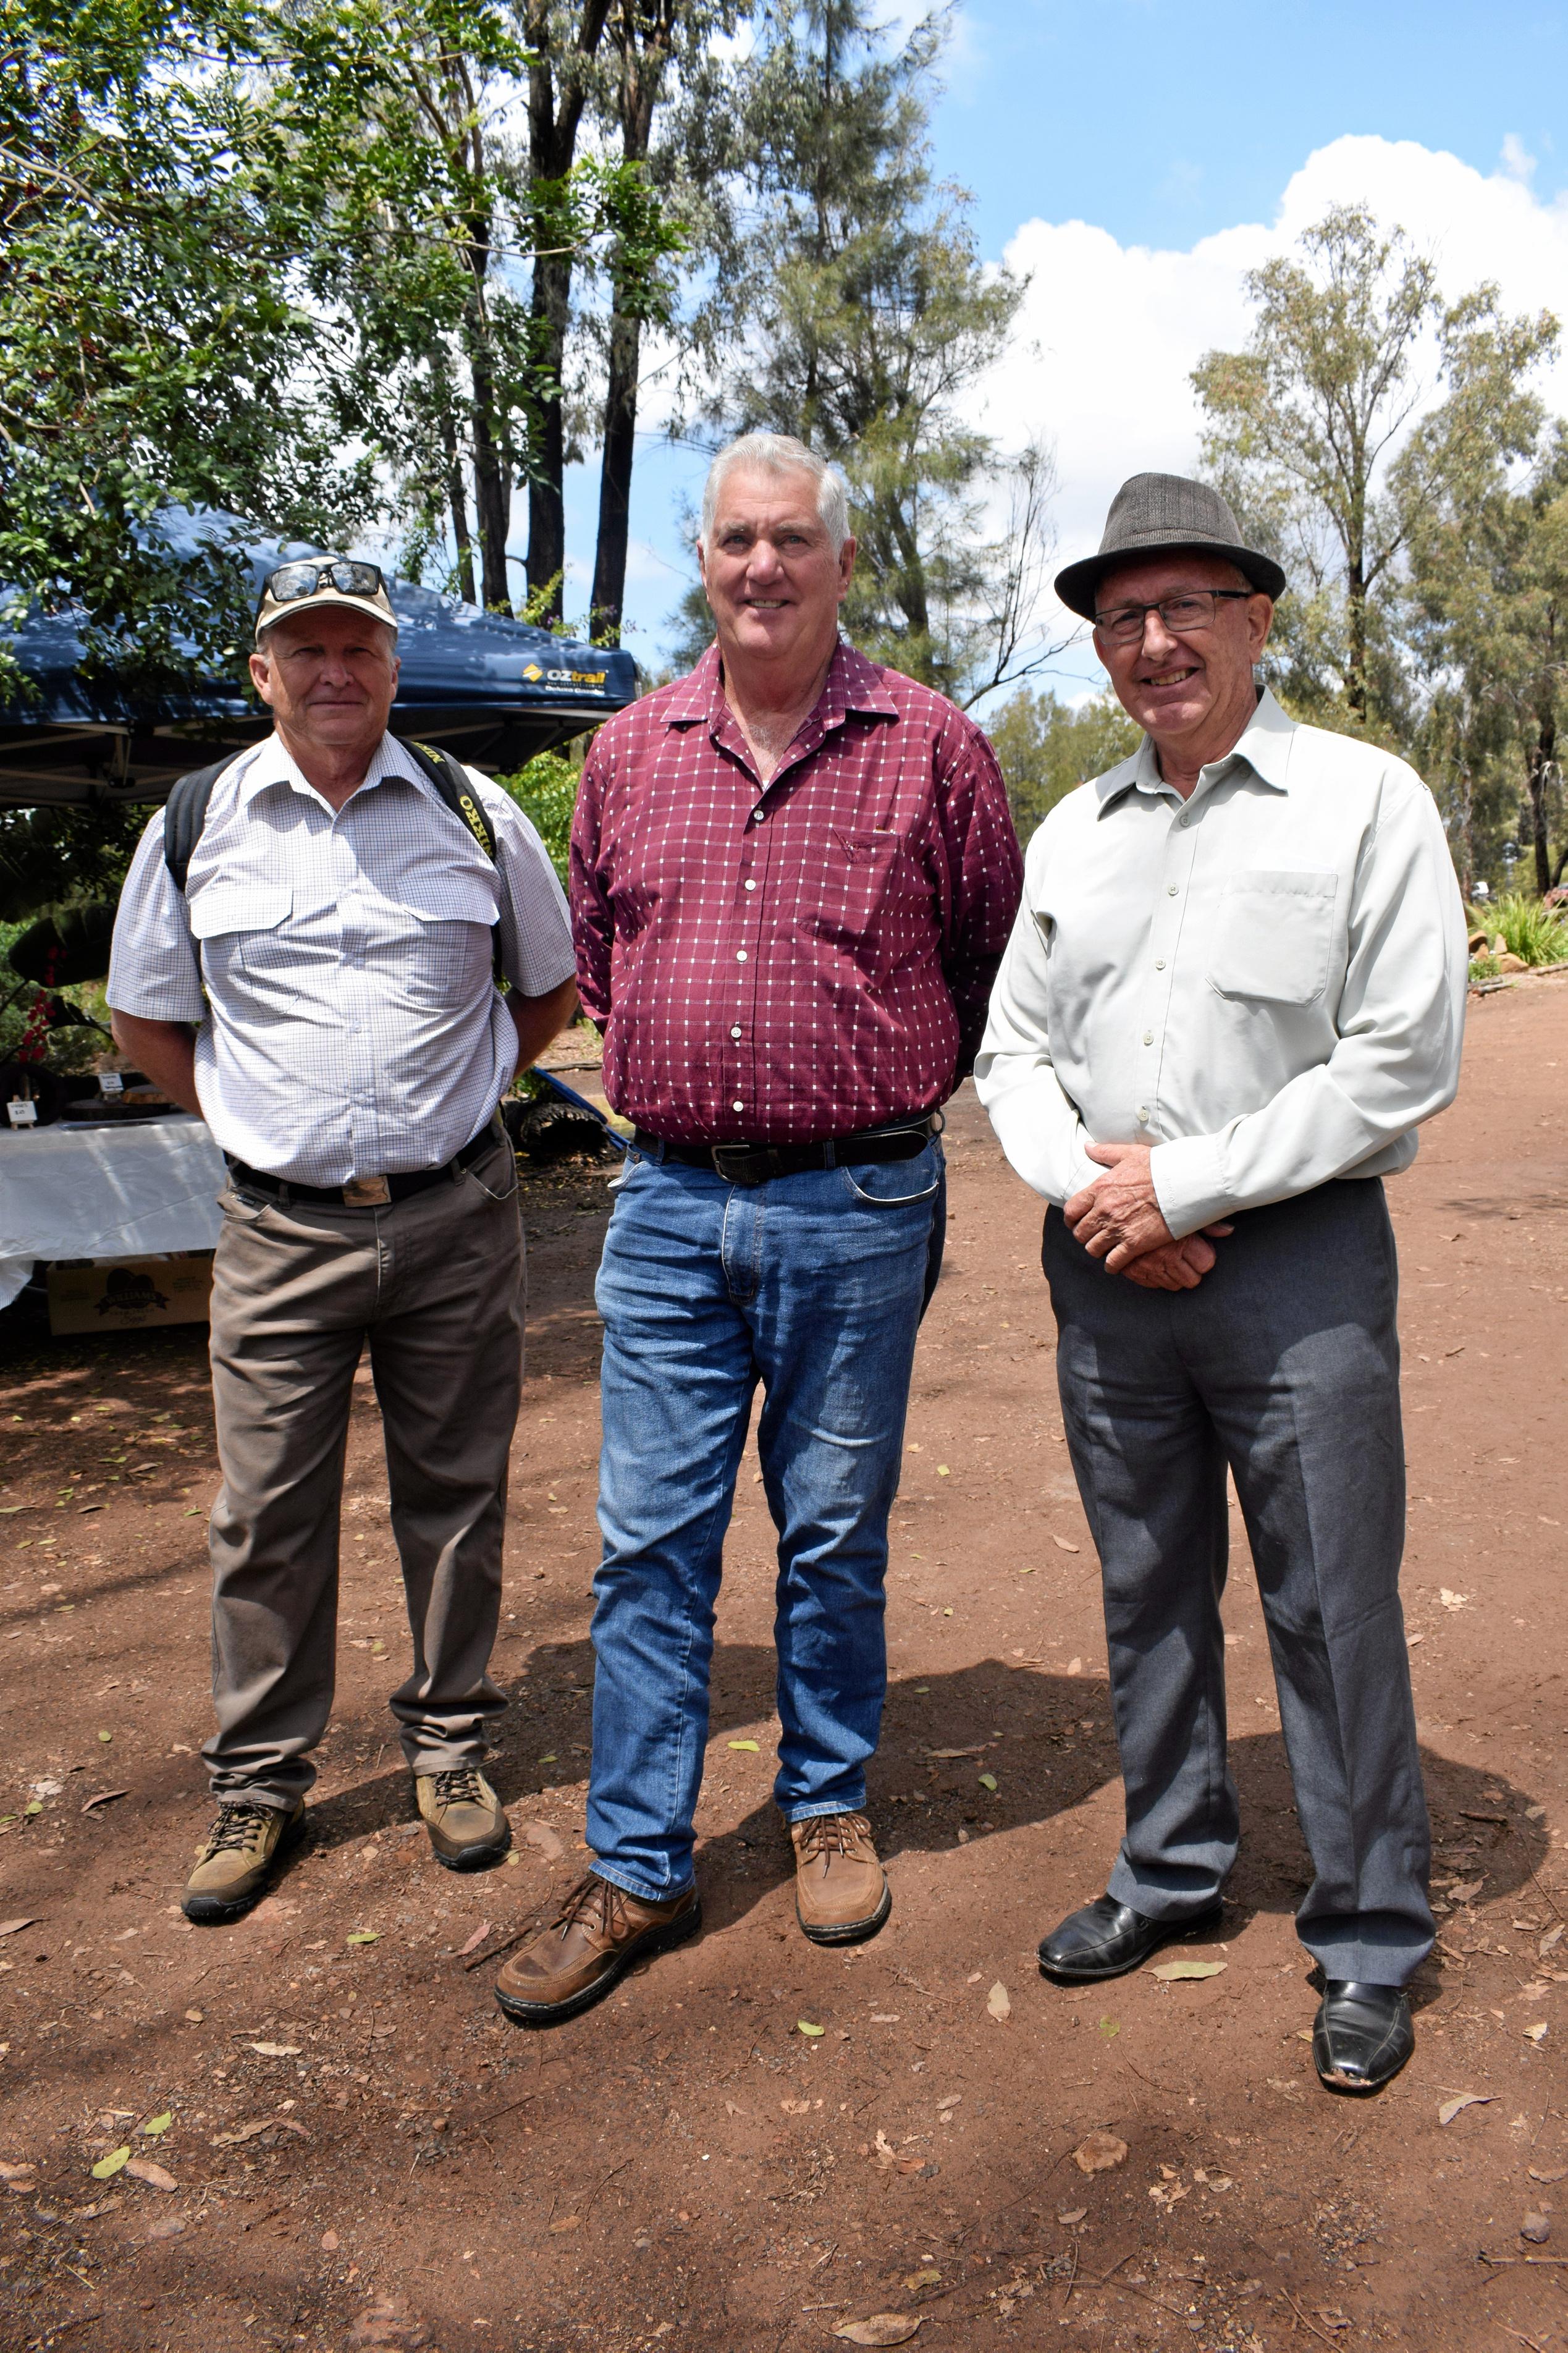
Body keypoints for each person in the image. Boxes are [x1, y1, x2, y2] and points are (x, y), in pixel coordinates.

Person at [494, 431, 1023, 2025]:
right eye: (736, 539)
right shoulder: (629, 752)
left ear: (841, 562)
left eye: (793, 539)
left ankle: (827, 1801)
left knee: (832, 1526)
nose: (763, 567)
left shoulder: (932, 745)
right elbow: (598, 944)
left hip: (860, 1198)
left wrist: (882, 1086)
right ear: (704, 559)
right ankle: (641, 1859)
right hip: (663, 1201)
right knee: (648, 1544)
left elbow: (987, 952)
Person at [975, 474, 1467, 2095]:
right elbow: (1015, 1052)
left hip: (1299, 1268)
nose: (1157, 639)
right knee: (1146, 1592)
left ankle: (1371, 1932)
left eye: (1190, 605)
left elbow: (1400, 1062)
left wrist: (1181, 1185)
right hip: (1105, 1274)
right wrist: (1099, 1197)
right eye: (1125, 616)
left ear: (1256, 619)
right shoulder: (1075, 829)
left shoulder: (1363, 802)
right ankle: (1170, 1869)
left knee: (1330, 1606)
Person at [107, 557, 579, 1923]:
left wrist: (464, 1100)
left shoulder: (473, 813)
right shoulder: (199, 821)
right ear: (262, 672)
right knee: (264, 1515)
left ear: (390, 665)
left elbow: (546, 988)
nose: (332, 671)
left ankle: (449, 1745)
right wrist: (258, 1125)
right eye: (302, 649)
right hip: (276, 1232)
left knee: (457, 1493)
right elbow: (149, 1019)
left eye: (357, 648)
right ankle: (260, 1781)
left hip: (455, 1219)